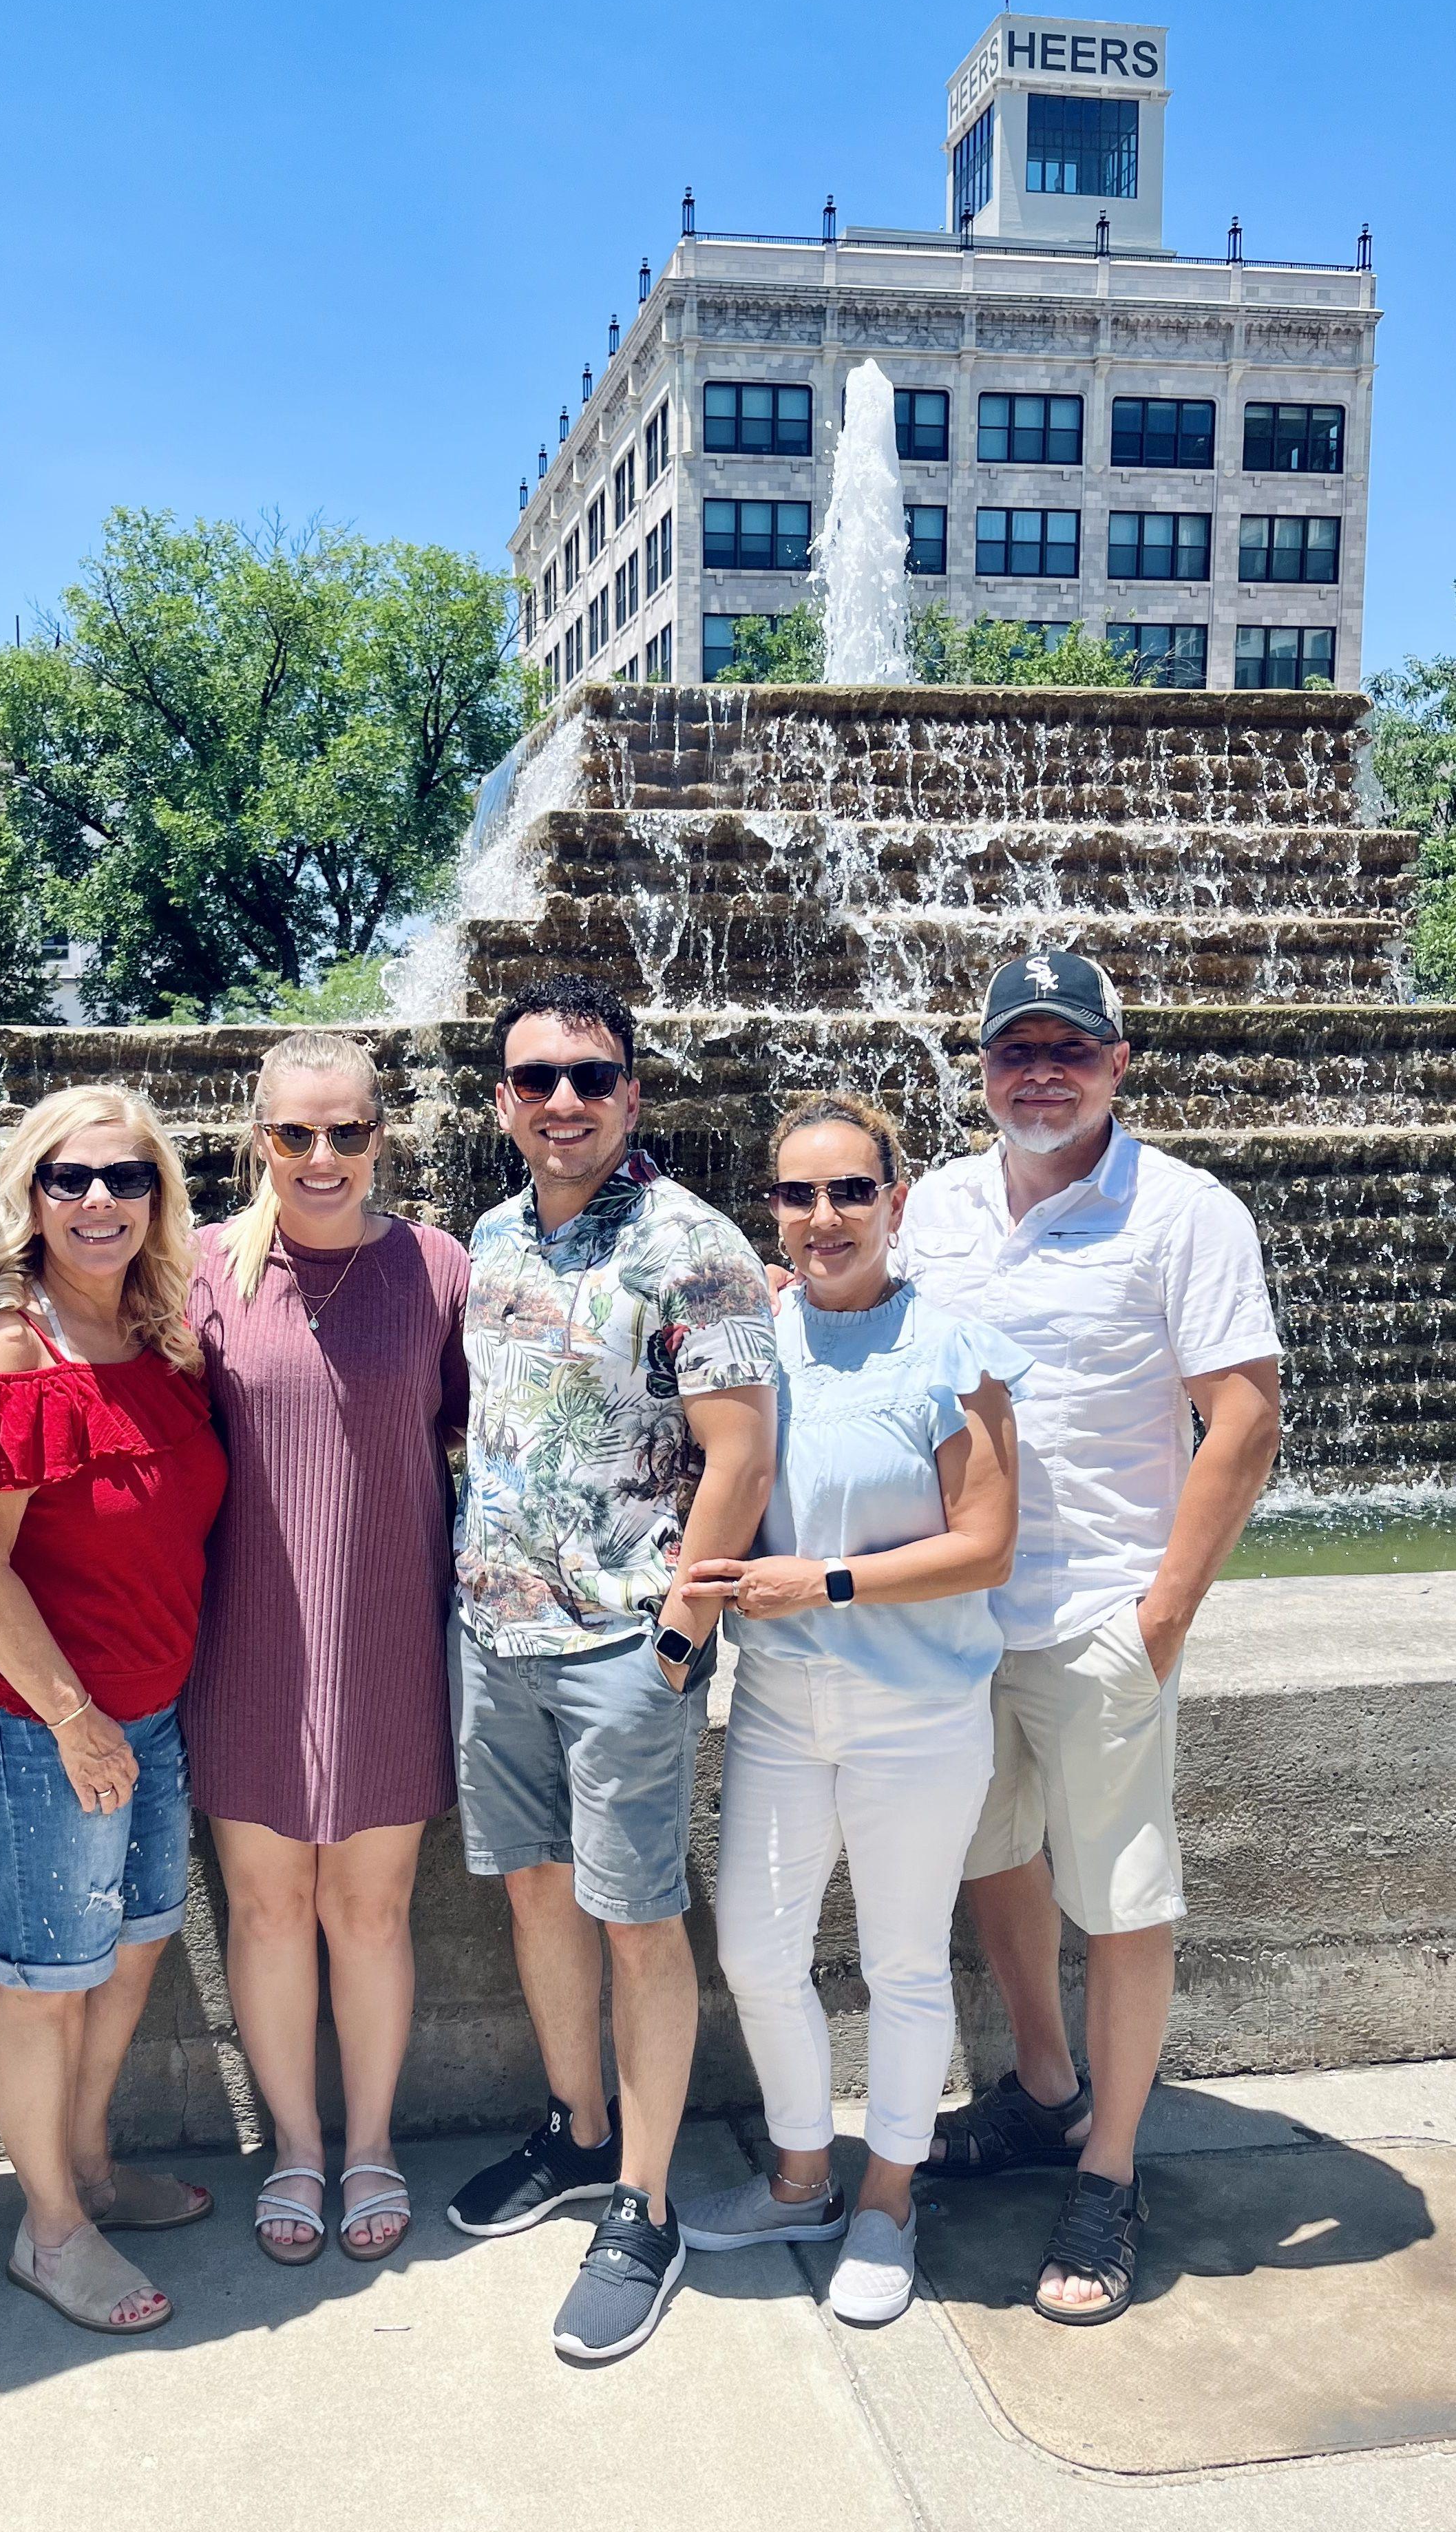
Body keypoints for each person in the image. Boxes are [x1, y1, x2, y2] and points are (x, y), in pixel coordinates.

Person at [903, 950, 1283, 2326]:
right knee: (995, 1852)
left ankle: (1111, 2174)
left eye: (1072, 1048)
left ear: (1119, 1062)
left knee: (1122, 1894)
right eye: (1018, 1051)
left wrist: (1164, 1613)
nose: (1042, 1072)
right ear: (985, 1066)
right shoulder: (933, 1206)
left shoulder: (1185, 1213)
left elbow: (1243, 1415)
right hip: (958, 1615)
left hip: (1100, 1611)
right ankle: (1046, 2094)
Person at [445, 970, 780, 2365]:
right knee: (538, 1893)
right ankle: (578, 2134)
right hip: (495, 1635)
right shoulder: (492, 1237)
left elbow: (743, 1453)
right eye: (537, 1080)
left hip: (627, 1645)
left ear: (632, 1093)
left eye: (590, 1077)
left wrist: (678, 1641)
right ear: (505, 1102)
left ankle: (644, 2201)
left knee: (638, 1919)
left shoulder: (694, 1244)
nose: (564, 1101)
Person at [671, 1095, 1029, 2327]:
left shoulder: (955, 1349)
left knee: (902, 1963)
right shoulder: (752, 1338)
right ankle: (800, 2176)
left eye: (849, 1192)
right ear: (770, 1209)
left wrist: (815, 1582)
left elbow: (986, 1547)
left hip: (919, 1711)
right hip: (778, 1706)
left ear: (897, 1198)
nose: (823, 1219)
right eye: (796, 1195)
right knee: (756, 1952)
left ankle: (887, 2199)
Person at [0, 1085, 228, 2339]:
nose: (98, 1201)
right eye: (69, 1178)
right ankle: (48, 2230)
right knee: (47, 1980)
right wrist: (71, 1718)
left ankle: (89, 2166)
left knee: (142, 1937)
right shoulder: (11, 1348)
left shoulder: (157, 1333)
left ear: (159, 1195)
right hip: (36, 1718)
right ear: (30, 1197)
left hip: (148, 1706)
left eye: (125, 1177)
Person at [184, 1033, 471, 2268]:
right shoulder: (198, 1271)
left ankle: (370, 2145)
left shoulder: (438, 1268)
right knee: (265, 1905)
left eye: (347, 1132)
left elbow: (475, 1430)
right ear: (260, 1138)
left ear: (380, 1137)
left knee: (370, 1906)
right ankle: (294, 2144)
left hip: (389, 1631)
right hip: (245, 1634)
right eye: (296, 1133)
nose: (321, 1156)